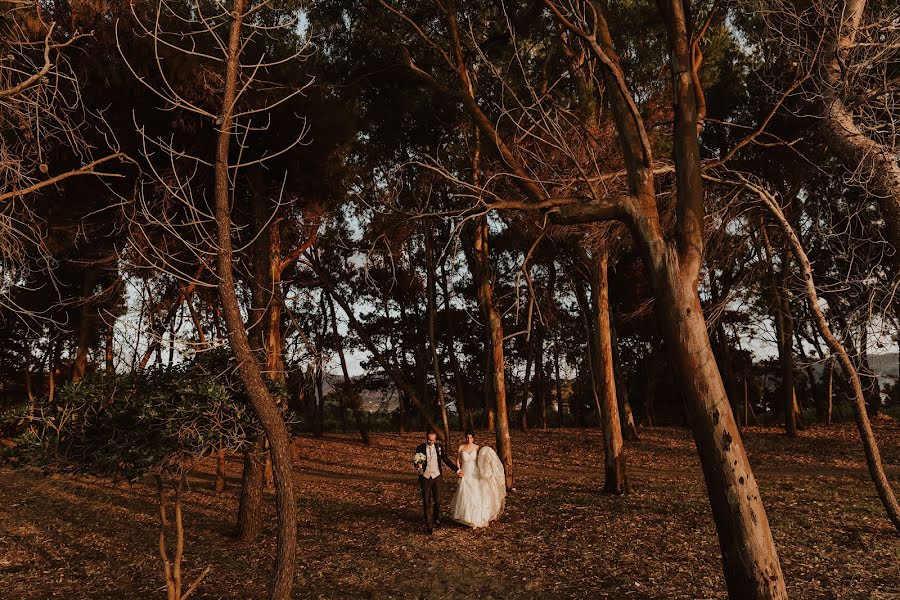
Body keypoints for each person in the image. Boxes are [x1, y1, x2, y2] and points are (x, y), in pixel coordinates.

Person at [448, 430, 506, 528]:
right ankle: (465, 517)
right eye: (467, 437)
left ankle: (476, 518)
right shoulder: (461, 447)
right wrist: (459, 470)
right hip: (465, 472)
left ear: (473, 438)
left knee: (475, 494)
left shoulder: (477, 447)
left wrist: (485, 471)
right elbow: (458, 460)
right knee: (465, 494)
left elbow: (481, 460)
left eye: (470, 437)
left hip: (474, 473)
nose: (468, 439)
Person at [413, 429, 461, 535]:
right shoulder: (420, 448)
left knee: (438, 501)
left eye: (433, 440)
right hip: (425, 478)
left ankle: (437, 519)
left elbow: (445, 459)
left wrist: (456, 470)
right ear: (426, 438)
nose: (431, 442)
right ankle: (429, 526)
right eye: (429, 440)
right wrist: (418, 466)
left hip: (437, 477)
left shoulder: (439, 447)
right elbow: (416, 463)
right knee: (426, 502)